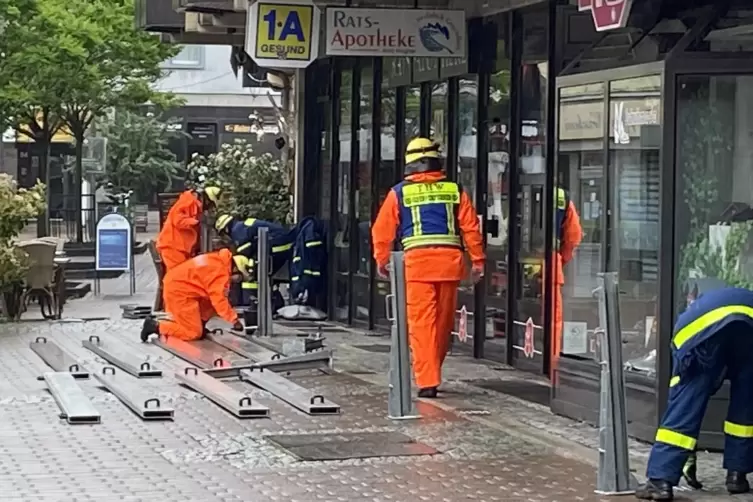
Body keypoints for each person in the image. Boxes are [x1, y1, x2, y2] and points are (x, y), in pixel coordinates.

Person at [371, 137, 485, 398]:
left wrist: (382, 259)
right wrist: (477, 261)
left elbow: (382, 231)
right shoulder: (455, 190)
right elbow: (470, 229)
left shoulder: (399, 193)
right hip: (449, 266)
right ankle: (433, 372)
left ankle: (428, 380)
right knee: (443, 325)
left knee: (422, 325)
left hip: (417, 268)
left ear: (410, 165)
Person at [636, 287, 753, 500]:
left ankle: (660, 481)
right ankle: (737, 475)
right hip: (749, 326)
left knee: (686, 403)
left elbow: (682, 393)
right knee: (746, 401)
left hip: (703, 332)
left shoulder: (686, 329)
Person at [140, 248, 247, 342]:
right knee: (192, 333)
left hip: (180, 285)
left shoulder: (218, 261)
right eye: (239, 278)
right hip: (178, 292)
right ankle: (156, 326)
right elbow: (219, 301)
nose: (236, 282)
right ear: (236, 269)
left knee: (210, 303)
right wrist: (234, 320)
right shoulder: (221, 274)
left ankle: (200, 322)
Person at [215, 214, 295, 306]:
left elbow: (244, 253)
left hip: (276, 247)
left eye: (222, 234)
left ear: (226, 229)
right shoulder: (241, 226)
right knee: (261, 273)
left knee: (252, 269)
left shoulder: (237, 231)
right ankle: (269, 300)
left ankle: (254, 301)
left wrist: (244, 274)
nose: (225, 237)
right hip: (281, 245)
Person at [551, 186, 582, 376]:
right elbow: (573, 235)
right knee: (554, 321)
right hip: (552, 264)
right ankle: (552, 367)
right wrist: (561, 259)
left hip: (518, 265)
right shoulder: (561, 196)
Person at [156, 186, 221, 273]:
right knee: (178, 277)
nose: (208, 208)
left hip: (179, 248)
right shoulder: (188, 202)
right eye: (210, 204)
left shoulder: (192, 203)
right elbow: (178, 221)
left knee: (183, 276)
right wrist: (197, 222)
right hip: (173, 247)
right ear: (206, 199)